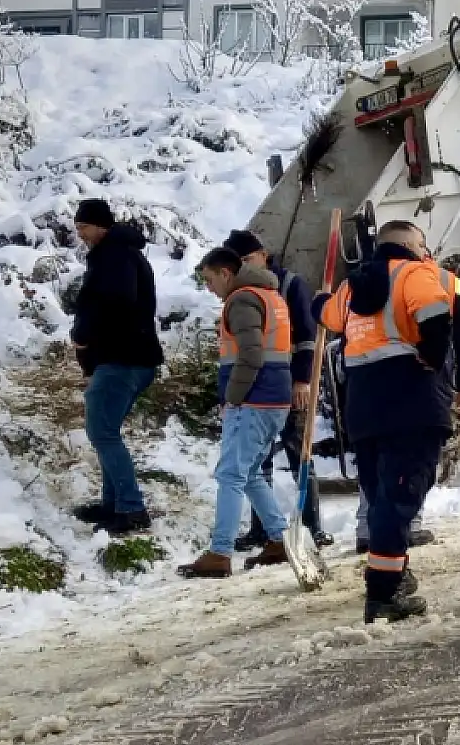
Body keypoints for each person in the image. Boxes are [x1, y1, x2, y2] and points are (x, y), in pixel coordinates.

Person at [315, 221, 460, 622]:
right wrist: (434, 360)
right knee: (400, 498)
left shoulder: (350, 288)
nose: (426, 251)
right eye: (422, 244)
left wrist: (318, 301)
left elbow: (327, 316)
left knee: (383, 499)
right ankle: (383, 594)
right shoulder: (416, 275)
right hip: (411, 403)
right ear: (410, 245)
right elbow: (437, 322)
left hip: (363, 410)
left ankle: (393, 575)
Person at [176, 249, 298, 579]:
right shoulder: (271, 296)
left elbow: (251, 354)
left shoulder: (242, 299)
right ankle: (279, 539)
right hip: (275, 397)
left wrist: (232, 397)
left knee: (231, 474)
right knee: (251, 472)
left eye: (210, 279)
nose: (209, 287)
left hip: (253, 400)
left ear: (226, 273)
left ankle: (220, 553)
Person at [220, 229, 334, 551]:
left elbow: (307, 337)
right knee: (259, 461)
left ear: (263, 255)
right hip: (256, 389)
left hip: (289, 383)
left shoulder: (288, 285)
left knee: (299, 453)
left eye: (247, 259)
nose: (244, 266)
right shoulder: (240, 292)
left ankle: (311, 526)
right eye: (238, 261)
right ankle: (264, 530)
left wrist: (303, 380)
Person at [69, 199, 164, 536]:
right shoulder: (118, 253)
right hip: (128, 357)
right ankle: (114, 504)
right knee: (106, 431)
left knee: (102, 432)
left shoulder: (115, 255)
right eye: (78, 228)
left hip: (123, 358)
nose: (80, 234)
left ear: (101, 225)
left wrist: (83, 334)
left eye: (84, 227)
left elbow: (113, 303)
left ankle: (131, 507)